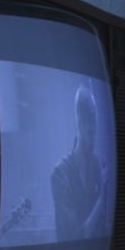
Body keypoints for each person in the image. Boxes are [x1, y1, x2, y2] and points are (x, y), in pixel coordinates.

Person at [50, 84, 113, 241]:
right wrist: (101, 198)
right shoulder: (60, 174)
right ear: (79, 124)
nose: (93, 139)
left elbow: (102, 228)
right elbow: (73, 237)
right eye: (89, 132)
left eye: (95, 131)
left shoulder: (97, 166)